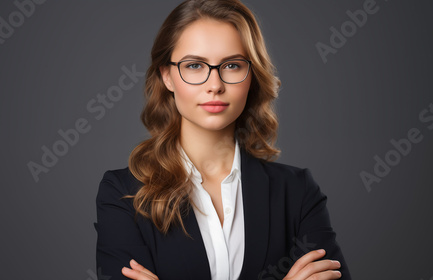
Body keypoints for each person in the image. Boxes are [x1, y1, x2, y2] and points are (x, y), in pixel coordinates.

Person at [94, 0, 351, 279]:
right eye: (194, 66)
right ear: (167, 76)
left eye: (231, 65)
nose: (214, 85)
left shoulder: (297, 192)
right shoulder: (122, 194)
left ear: (251, 75)